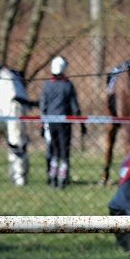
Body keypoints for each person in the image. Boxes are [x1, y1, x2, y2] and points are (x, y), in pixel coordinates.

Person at [40, 56, 81, 188]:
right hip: (65, 122)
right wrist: (81, 123)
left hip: (51, 121)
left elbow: (43, 105)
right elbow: (75, 106)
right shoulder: (67, 85)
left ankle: (52, 176)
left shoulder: (47, 85)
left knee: (54, 150)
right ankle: (63, 177)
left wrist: (42, 123)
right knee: (64, 151)